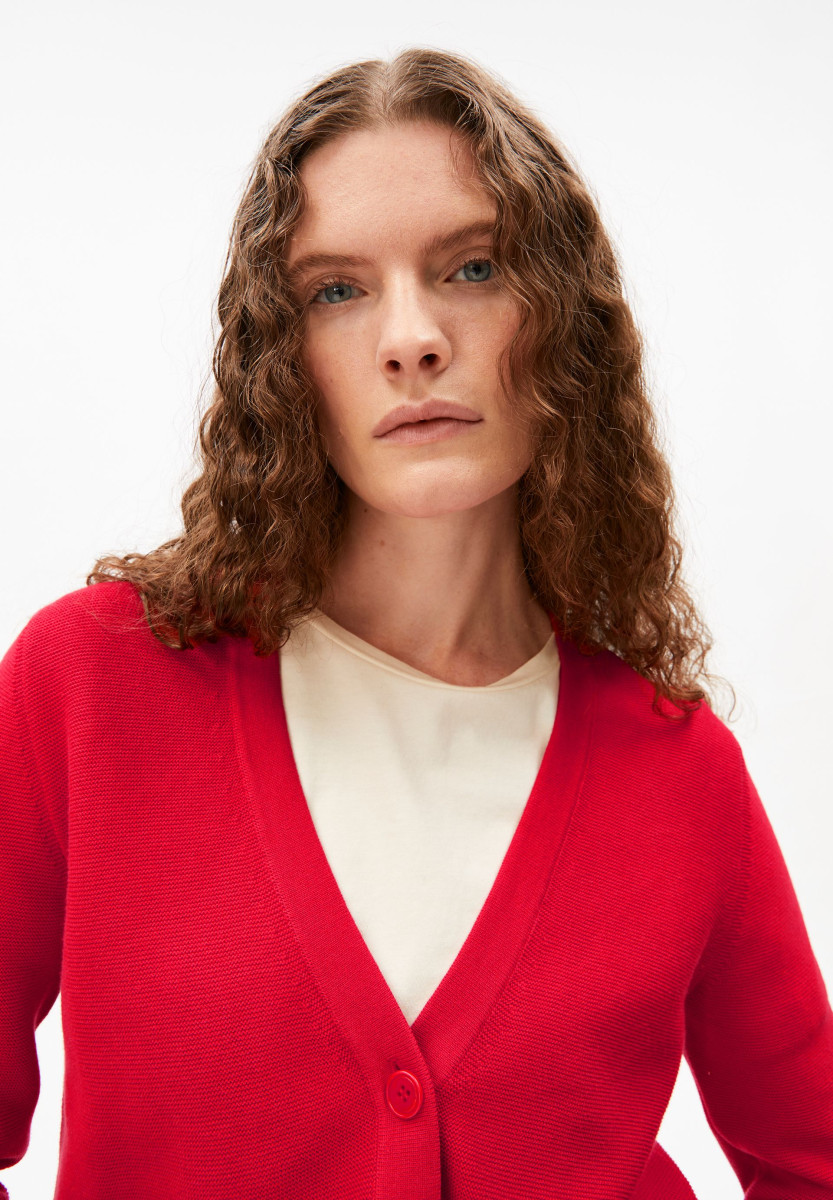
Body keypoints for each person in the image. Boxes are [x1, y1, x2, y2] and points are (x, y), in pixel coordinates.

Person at [1, 47, 831, 1200]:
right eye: (335, 291)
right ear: (281, 356)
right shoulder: (93, 689)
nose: (411, 337)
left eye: (472, 268)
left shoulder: (681, 774)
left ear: (562, 325)